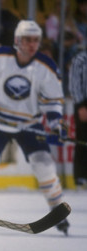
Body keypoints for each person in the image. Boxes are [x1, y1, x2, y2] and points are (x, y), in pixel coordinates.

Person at [0, 20, 69, 234]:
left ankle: (57, 209)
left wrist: (57, 124)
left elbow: (53, 101)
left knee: (45, 164)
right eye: (27, 40)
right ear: (17, 40)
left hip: (29, 124)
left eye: (36, 40)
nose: (32, 44)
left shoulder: (46, 66)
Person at [68, 49, 87, 189]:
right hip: (84, 103)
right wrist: (80, 105)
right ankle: (80, 177)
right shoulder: (81, 59)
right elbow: (74, 83)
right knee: (83, 140)